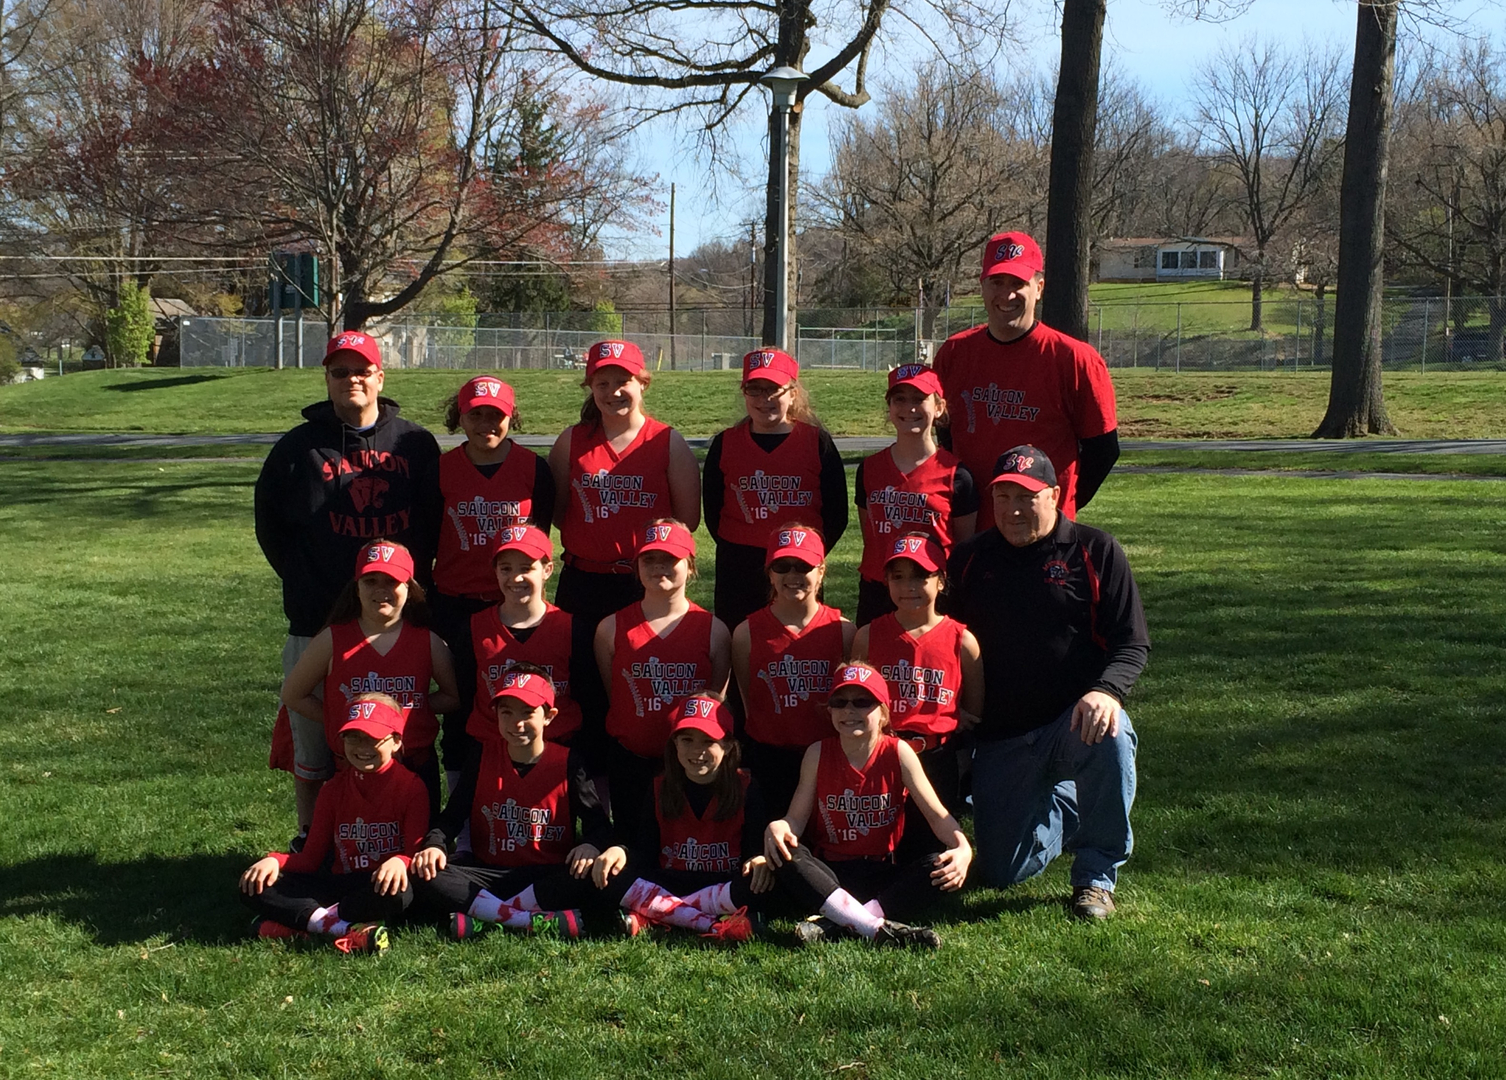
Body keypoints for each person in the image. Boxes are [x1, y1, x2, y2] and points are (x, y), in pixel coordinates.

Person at [945, 445, 1149, 920]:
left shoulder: (1096, 551)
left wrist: (1106, 691)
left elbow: (1131, 642)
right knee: (1001, 871)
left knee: (1113, 736)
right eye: (1003, 497)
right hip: (1003, 733)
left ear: (1055, 495)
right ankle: (1069, 807)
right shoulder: (971, 559)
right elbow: (944, 640)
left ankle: (1095, 877)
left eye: (1027, 497)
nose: (1013, 509)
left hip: (1073, 720)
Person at [255, 331, 441, 838]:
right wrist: (307, 579)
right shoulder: (296, 450)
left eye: (362, 370)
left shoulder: (415, 444)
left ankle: (400, 833)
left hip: (395, 618)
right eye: (340, 371)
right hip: (317, 618)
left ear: (380, 376)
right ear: (328, 379)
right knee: (316, 743)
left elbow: (432, 522)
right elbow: (270, 527)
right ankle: (311, 836)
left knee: (395, 735)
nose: (352, 379)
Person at [763, 663, 971, 948]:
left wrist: (962, 847)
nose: (850, 711)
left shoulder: (899, 752)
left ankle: (834, 924)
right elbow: (795, 820)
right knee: (788, 855)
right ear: (830, 711)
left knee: (936, 866)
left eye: (863, 702)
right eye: (840, 702)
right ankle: (877, 928)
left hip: (880, 871)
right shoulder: (817, 753)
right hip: (830, 873)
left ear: (884, 713)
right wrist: (780, 826)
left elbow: (937, 816)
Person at [415, 375, 555, 793]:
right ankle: (460, 809)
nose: (487, 424)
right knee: (460, 709)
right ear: (460, 417)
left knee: (519, 703)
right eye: (477, 414)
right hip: (455, 605)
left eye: (497, 415)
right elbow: (423, 544)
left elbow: (539, 542)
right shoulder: (440, 470)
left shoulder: (534, 469)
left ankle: (520, 798)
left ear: (511, 416)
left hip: (513, 605)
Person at [410, 665, 613, 940]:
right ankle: (530, 919)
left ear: (549, 716)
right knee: (424, 871)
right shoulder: (482, 757)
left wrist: (591, 844)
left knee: (595, 874)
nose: (516, 723)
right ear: (495, 715)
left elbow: (598, 825)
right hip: (487, 874)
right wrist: (434, 845)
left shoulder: (568, 761)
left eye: (527, 713)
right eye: (507, 712)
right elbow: (452, 817)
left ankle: (486, 916)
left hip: (544, 875)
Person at [932, 232, 1119, 519]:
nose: (1007, 295)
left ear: (1039, 288)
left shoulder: (1076, 360)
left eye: (1018, 283)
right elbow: (946, 432)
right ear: (982, 286)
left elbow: (1103, 451)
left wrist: (1059, 508)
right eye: (997, 282)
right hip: (972, 528)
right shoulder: (954, 353)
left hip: (1043, 536)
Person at [281, 540, 460, 820]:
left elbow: (452, 696)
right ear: (356, 586)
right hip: (353, 766)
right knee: (354, 852)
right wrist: (337, 718)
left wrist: (411, 709)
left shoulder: (429, 642)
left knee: (414, 853)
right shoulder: (333, 639)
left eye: (391, 581)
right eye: (371, 580)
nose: (381, 590)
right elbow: (293, 694)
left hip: (413, 766)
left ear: (410, 588)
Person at [239, 694, 429, 955]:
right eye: (354, 737)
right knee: (254, 885)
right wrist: (275, 860)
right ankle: (342, 928)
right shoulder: (333, 789)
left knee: (400, 894)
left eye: (373, 738)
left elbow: (414, 852)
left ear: (396, 741)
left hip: (378, 886)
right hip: (338, 883)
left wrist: (401, 861)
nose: (362, 746)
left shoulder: (412, 788)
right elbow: (311, 858)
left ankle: (303, 923)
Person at [590, 694, 772, 943]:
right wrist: (621, 852)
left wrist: (758, 858)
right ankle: (717, 923)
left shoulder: (746, 787)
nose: (697, 751)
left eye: (709, 741)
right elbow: (644, 851)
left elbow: (753, 851)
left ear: (728, 745)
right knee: (608, 874)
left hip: (723, 884)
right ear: (674, 742)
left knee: (761, 882)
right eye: (687, 739)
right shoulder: (659, 786)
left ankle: (655, 914)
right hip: (671, 880)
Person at [548, 339, 701, 633]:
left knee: (640, 672)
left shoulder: (667, 442)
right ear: (590, 387)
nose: (613, 392)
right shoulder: (571, 441)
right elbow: (559, 513)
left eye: (623, 381)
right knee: (583, 673)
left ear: (643, 383)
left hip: (645, 582)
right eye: (602, 383)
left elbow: (687, 521)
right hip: (583, 581)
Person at [595, 520, 732, 837]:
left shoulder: (714, 631)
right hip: (632, 764)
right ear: (636, 565)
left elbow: (714, 703)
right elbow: (613, 693)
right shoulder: (610, 629)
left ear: (690, 565)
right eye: (649, 559)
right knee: (631, 848)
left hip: (691, 767)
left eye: (670, 559)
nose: (659, 567)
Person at [852, 533, 982, 857]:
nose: (909, 586)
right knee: (874, 852)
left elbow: (973, 711)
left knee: (927, 856)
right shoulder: (868, 636)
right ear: (886, 582)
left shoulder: (962, 641)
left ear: (941, 581)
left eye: (921, 575)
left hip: (936, 759)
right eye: (898, 577)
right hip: (880, 755)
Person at [702, 348, 848, 634]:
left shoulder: (817, 442)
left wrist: (806, 556)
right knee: (741, 646)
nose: (763, 399)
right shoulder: (726, 443)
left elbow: (836, 514)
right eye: (754, 389)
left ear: (792, 393)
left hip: (799, 566)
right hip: (740, 567)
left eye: (773, 390)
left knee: (802, 643)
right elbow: (713, 512)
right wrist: (739, 549)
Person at [731, 525, 853, 818]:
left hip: (829, 753)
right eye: (782, 567)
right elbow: (749, 698)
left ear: (821, 571)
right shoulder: (746, 632)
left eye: (804, 566)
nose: (793, 576)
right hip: (770, 758)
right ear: (769, 573)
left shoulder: (844, 631)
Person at [463, 525, 605, 765]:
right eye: (506, 568)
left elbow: (589, 700)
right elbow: (466, 698)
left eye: (527, 568)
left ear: (547, 570)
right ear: (495, 571)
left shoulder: (571, 629)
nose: (516, 578)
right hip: (492, 755)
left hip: (560, 754)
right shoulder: (474, 628)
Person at [853, 364, 976, 627]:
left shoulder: (957, 474)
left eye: (919, 399)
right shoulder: (869, 469)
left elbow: (963, 550)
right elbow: (871, 537)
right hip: (879, 592)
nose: (909, 408)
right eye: (900, 399)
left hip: (933, 595)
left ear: (939, 407)